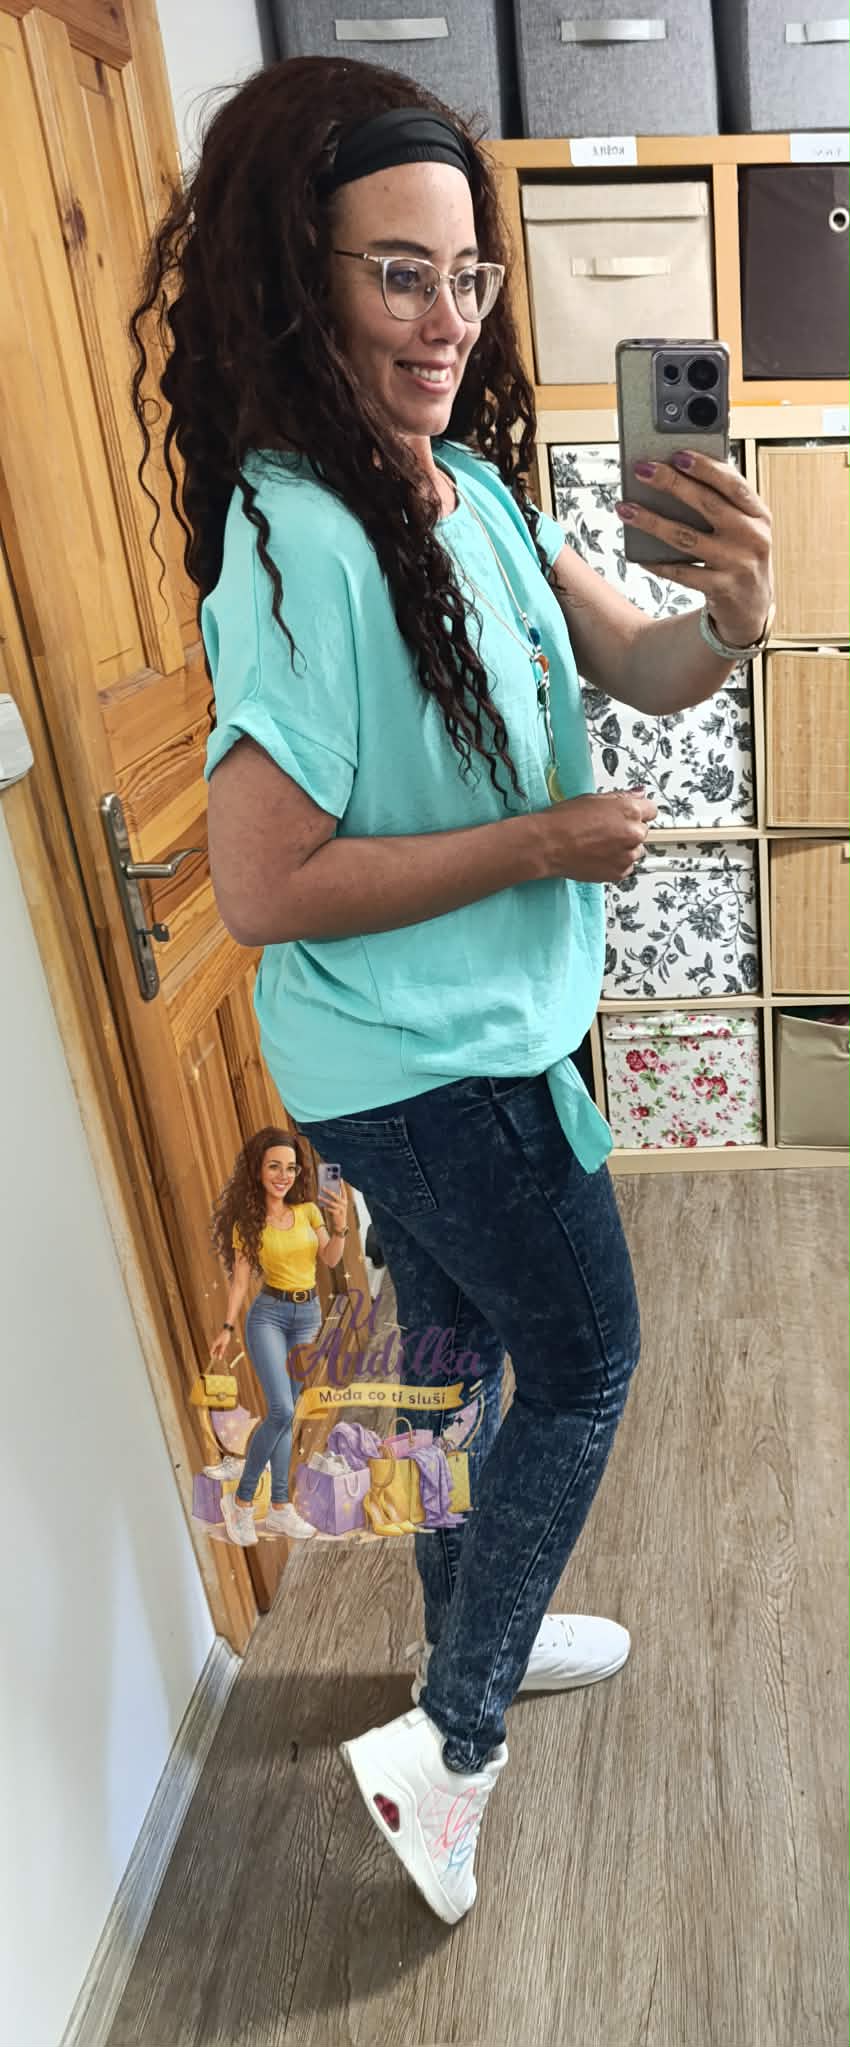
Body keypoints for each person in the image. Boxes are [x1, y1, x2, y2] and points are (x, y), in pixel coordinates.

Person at [130, 56, 774, 1925]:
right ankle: (455, 1740)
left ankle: (460, 1640)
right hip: (440, 1068)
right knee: (587, 1359)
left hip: (417, 1055)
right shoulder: (301, 536)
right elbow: (263, 879)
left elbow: (638, 661)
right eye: (397, 272)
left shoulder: (463, 485)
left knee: (455, 1358)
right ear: (298, 277)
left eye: (468, 275)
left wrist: (732, 617)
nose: (446, 317)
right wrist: (542, 841)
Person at [209, 1126, 349, 1544]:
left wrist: (340, 1225)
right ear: (258, 1170)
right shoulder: (248, 1225)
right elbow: (239, 1282)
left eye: (290, 1168)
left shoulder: (307, 1212)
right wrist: (227, 1326)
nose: (283, 1175)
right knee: (281, 1410)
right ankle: (241, 1502)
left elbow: (330, 1259)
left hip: (307, 1316)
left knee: (286, 1414)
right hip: (268, 1316)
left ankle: (281, 1508)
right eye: (274, 1167)